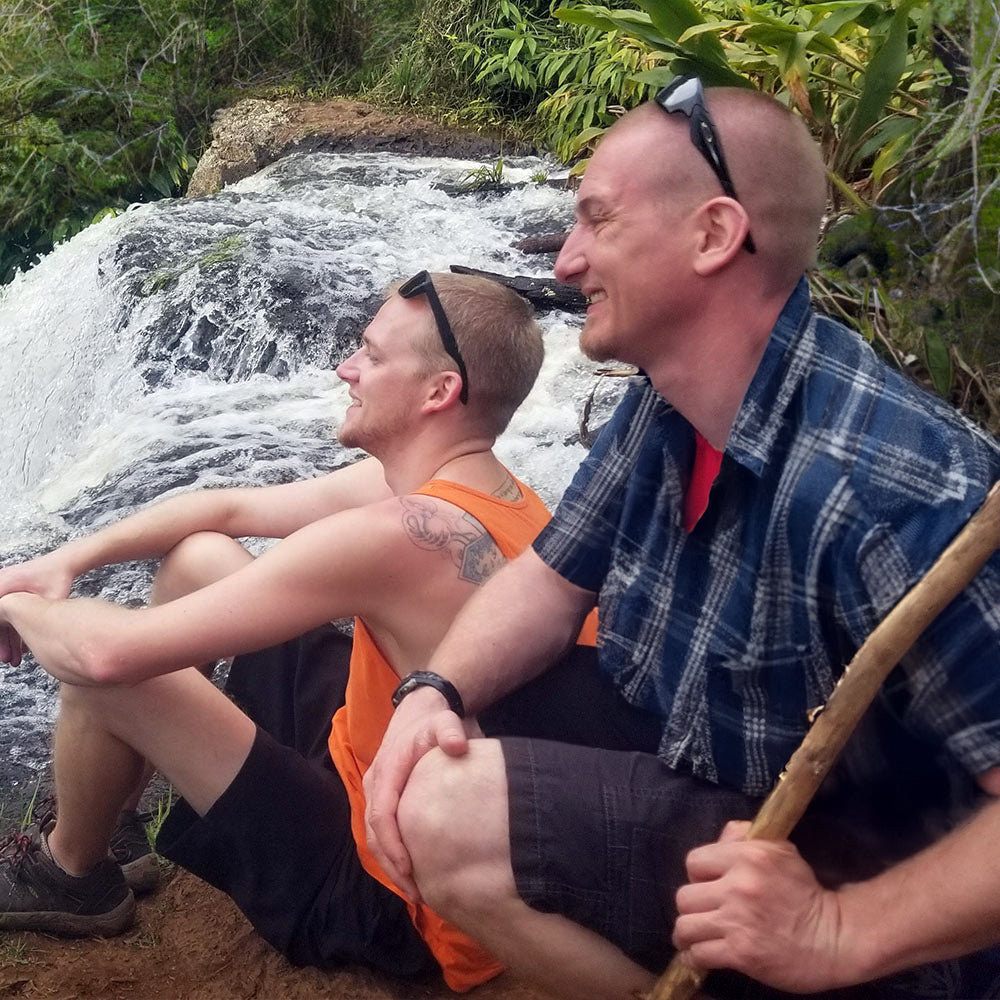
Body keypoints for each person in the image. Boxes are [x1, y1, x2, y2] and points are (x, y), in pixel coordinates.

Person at [363, 80, 1000, 1000]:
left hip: (872, 905)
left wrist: (836, 930)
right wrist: (433, 691)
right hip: (716, 770)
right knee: (444, 724)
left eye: (597, 220)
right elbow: (546, 584)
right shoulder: (669, 403)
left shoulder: (884, 489)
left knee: (443, 811)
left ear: (713, 235)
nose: (567, 260)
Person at [0, 270, 583, 991]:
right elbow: (227, 509)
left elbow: (107, 654)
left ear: (439, 392)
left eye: (370, 355)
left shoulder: (399, 535)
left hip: (393, 890)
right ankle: (119, 824)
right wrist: (62, 564)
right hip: (378, 764)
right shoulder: (490, 494)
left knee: (107, 671)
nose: (346, 369)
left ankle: (72, 874)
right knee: (200, 560)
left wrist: (21, 609)